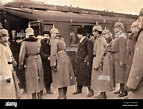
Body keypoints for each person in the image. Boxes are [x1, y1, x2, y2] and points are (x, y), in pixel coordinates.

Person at [50, 25, 76, 99]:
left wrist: (52, 63)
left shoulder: (54, 41)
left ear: (52, 34)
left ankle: (61, 96)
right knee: (65, 78)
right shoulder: (61, 40)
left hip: (59, 59)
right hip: (65, 58)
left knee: (59, 78)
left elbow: (53, 53)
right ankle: (64, 95)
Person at [19, 27, 44, 99]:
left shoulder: (25, 42)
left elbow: (21, 54)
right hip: (38, 59)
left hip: (30, 60)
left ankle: (33, 95)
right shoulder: (38, 41)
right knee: (39, 76)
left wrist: (21, 64)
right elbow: (40, 49)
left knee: (31, 78)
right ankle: (40, 93)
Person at [0, 25, 22, 99]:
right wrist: (6, 75)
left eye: (7, 36)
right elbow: (2, 62)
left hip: (9, 69)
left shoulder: (6, 45)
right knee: (6, 91)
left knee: (11, 91)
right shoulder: (1, 47)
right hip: (5, 71)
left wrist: (13, 61)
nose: (7, 37)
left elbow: (10, 55)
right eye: (4, 36)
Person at [91, 23, 111, 99]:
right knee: (103, 77)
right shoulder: (101, 39)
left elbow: (99, 53)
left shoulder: (99, 40)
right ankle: (102, 94)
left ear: (97, 32)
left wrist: (96, 64)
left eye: (93, 32)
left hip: (101, 61)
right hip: (104, 60)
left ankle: (102, 95)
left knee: (101, 77)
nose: (93, 33)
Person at [126, 9, 143, 99]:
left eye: (139, 17)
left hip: (140, 81)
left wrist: (131, 84)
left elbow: (139, 63)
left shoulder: (142, 35)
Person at [73, 27, 94, 97]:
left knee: (86, 76)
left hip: (84, 62)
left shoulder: (87, 41)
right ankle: (79, 89)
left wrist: (86, 60)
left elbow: (90, 52)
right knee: (79, 75)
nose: (77, 35)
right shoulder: (81, 40)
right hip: (80, 61)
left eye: (78, 34)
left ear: (81, 34)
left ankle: (90, 91)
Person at [112, 20, 127, 97]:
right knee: (119, 75)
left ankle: (123, 90)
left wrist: (122, 60)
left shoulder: (121, 37)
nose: (114, 29)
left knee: (121, 75)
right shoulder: (118, 36)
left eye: (115, 28)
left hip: (119, 58)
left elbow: (122, 50)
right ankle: (121, 89)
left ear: (119, 28)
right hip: (117, 58)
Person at [102, 27, 115, 91]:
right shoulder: (105, 41)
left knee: (110, 72)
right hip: (106, 57)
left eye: (105, 34)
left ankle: (111, 86)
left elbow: (112, 49)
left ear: (109, 34)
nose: (104, 35)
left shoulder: (112, 41)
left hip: (109, 57)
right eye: (103, 34)